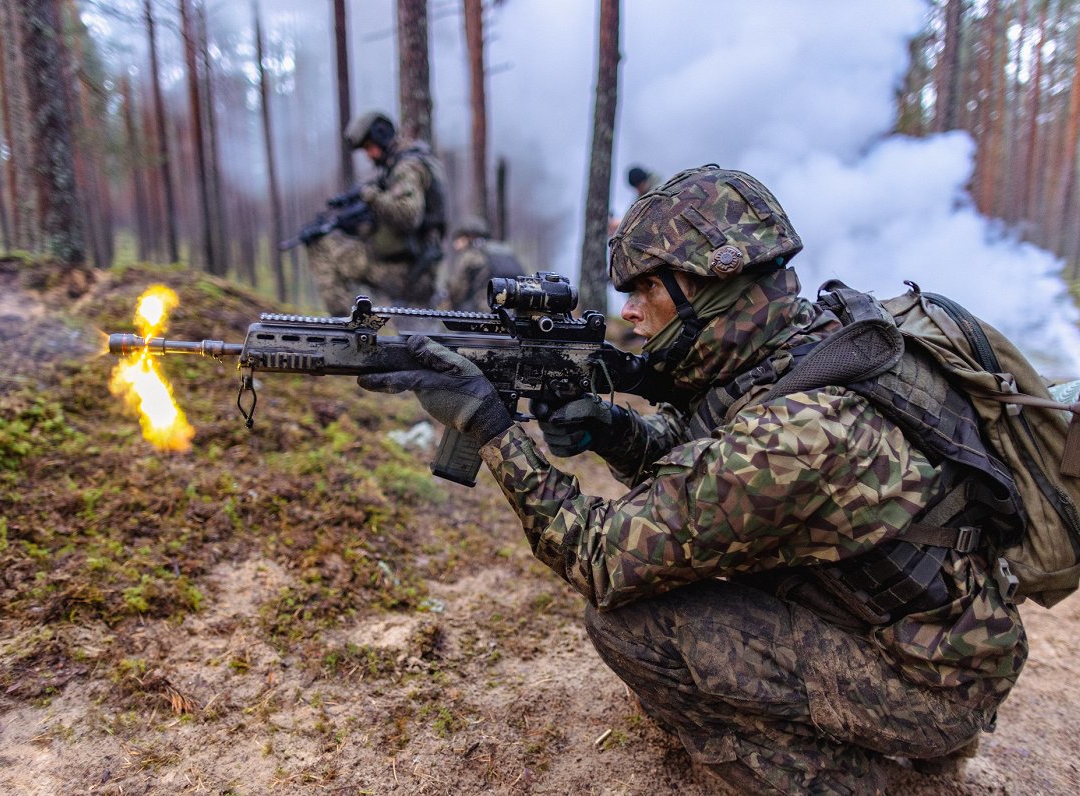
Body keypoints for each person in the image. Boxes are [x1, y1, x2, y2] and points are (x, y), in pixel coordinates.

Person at [357, 165, 1024, 794]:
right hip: (929, 637)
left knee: (630, 622)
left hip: (929, 684)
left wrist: (493, 431)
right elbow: (704, 461)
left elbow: (602, 558)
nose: (631, 314)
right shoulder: (805, 348)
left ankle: (849, 781)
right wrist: (614, 431)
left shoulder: (798, 432)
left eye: (648, 287)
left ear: (717, 281)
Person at [307, 111, 447, 315]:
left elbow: (408, 216)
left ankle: (345, 333)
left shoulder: (407, 167)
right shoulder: (400, 166)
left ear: (382, 136)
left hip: (411, 275)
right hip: (413, 271)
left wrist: (370, 196)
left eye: (369, 147)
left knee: (321, 247)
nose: (369, 155)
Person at [440, 216, 526, 312]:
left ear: (469, 237)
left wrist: (445, 301)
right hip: (513, 307)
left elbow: (457, 288)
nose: (455, 244)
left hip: (485, 309)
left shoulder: (471, 255)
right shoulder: (503, 250)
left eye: (459, 238)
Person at [609, 164, 660, 236]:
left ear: (643, 181)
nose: (638, 190)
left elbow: (646, 208)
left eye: (638, 187)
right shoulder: (643, 193)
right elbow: (633, 209)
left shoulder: (658, 189)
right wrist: (620, 224)